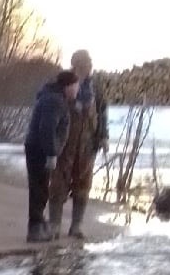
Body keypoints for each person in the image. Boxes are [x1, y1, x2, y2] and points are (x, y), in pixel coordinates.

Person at [48, 49, 109, 239]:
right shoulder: (62, 85)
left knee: (83, 186)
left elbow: (103, 114)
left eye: (89, 64)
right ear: (75, 66)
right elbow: (52, 113)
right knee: (58, 185)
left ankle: (76, 226)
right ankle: (54, 226)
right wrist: (51, 144)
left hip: (87, 145)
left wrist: (104, 137)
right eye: (83, 65)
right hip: (65, 145)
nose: (87, 68)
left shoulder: (96, 89)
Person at [24, 70, 79, 243]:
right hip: (40, 150)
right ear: (69, 86)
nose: (77, 89)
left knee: (41, 188)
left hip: (38, 148)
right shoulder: (54, 101)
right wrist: (51, 153)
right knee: (39, 189)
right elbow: (46, 129)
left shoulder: (54, 98)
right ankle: (35, 229)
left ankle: (39, 224)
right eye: (76, 86)